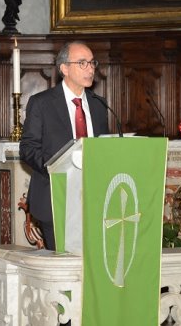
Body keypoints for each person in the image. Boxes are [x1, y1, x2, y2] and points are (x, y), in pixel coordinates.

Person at [19, 41, 109, 251]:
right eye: (82, 63)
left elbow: (104, 148)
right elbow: (28, 148)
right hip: (55, 196)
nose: (90, 68)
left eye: (92, 63)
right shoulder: (42, 103)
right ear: (64, 69)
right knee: (62, 264)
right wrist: (55, 167)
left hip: (93, 198)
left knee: (91, 262)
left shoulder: (99, 104)